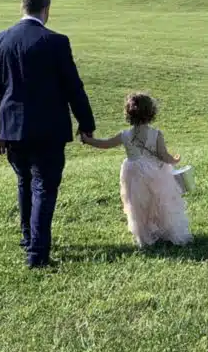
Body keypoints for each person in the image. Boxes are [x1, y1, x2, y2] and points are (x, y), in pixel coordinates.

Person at [0, 0, 96, 269]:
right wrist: (86, 123)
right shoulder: (56, 42)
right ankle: (37, 253)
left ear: (21, 7)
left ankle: (28, 238)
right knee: (44, 188)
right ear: (47, 9)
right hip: (48, 129)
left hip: (12, 130)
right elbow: (73, 87)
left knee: (25, 182)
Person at [80, 93, 192, 249]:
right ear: (151, 112)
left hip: (133, 174)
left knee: (138, 206)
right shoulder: (156, 134)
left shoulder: (125, 135)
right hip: (156, 173)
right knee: (160, 202)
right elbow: (163, 155)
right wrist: (174, 160)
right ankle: (165, 232)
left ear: (129, 113)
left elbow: (105, 144)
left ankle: (144, 235)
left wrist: (88, 140)